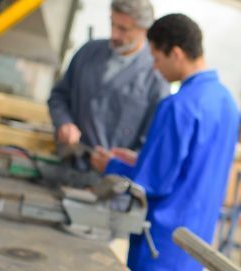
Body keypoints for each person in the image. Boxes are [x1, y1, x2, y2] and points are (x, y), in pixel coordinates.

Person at [90, 14, 241, 271]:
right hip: (195, 239)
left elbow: (152, 182)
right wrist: (141, 157)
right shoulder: (227, 104)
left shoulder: (178, 105)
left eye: (156, 59)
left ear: (176, 53)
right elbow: (193, 165)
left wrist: (112, 164)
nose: (155, 68)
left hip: (160, 240)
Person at [48, 0, 169, 167]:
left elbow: (152, 140)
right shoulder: (87, 53)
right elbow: (59, 96)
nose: (114, 35)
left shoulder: (157, 75)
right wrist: (64, 122)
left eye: (123, 29)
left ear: (145, 30)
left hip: (111, 181)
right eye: (112, 24)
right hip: (68, 163)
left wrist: (119, 165)